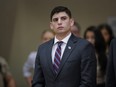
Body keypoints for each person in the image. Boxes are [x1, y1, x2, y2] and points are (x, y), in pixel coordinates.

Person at [32, 6, 96, 87]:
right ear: (51, 25)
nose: (59, 22)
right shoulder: (42, 49)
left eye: (63, 18)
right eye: (55, 20)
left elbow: (88, 83)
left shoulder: (84, 46)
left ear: (71, 22)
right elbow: (37, 82)